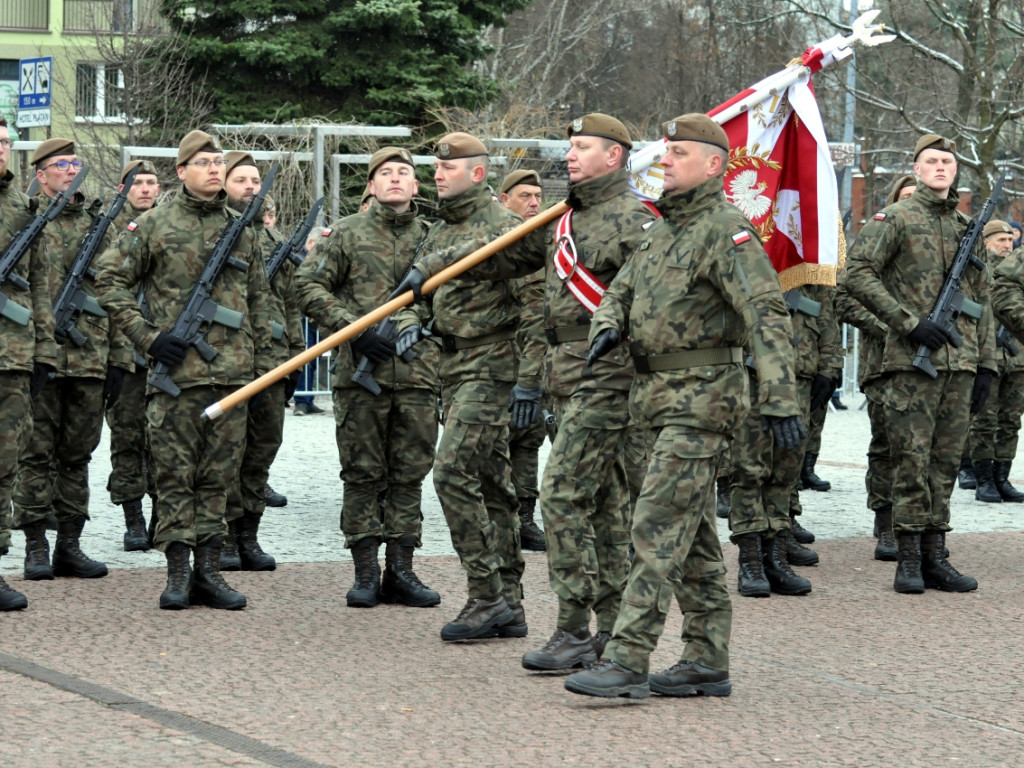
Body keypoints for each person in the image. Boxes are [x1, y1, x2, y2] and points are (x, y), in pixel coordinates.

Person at [563, 113, 803, 699]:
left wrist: (780, 397)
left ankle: (626, 658)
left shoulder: (727, 230)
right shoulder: (661, 230)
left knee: (652, 526)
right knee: (690, 532)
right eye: (664, 152)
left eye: (677, 154)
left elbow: (764, 312)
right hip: (654, 401)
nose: (663, 161)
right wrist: (608, 323)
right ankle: (705, 659)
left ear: (714, 165)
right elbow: (621, 288)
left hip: (702, 401)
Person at [403, 116, 655, 661]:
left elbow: (649, 300)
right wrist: (427, 270)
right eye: (570, 146)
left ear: (614, 157)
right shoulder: (563, 219)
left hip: (609, 379)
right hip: (568, 379)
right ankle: (599, 630)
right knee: (599, 505)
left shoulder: (635, 220)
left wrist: (525, 382)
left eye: (582, 147)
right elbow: (498, 258)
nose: (570, 155)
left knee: (577, 500)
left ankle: (583, 629)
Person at [94, 129, 273, 610]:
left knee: (219, 478)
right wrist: (148, 336)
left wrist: (260, 370)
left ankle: (209, 571)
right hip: (177, 378)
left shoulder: (243, 228)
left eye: (219, 162)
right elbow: (107, 280)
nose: (215, 170)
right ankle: (177, 574)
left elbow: (259, 302)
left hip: (232, 377)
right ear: (182, 171)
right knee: (174, 476)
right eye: (204, 163)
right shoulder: (154, 225)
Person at [394, 132, 529, 640]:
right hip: (451, 369)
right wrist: (410, 325)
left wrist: (531, 381)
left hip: (492, 365)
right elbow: (415, 296)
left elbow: (533, 304)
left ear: (477, 173)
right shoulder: (437, 232)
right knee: (493, 484)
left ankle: (486, 594)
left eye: (448, 168)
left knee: (450, 471)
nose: (436, 174)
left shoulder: (506, 227)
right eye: (435, 167)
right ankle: (510, 602)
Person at [845, 134, 993, 594]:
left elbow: (981, 300)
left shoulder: (969, 227)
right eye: (931, 161)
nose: (940, 167)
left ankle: (935, 555)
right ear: (916, 168)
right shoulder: (897, 217)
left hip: (960, 362)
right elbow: (855, 272)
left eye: (947, 161)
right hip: (911, 362)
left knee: (945, 462)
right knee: (910, 459)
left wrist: (986, 363)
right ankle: (907, 557)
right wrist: (907, 323)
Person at [295, 146, 442, 609]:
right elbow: (307, 284)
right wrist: (353, 330)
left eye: (404, 173)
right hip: (360, 376)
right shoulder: (346, 233)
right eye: (385, 173)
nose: (395, 179)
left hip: (418, 373)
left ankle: (402, 570)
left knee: (409, 474)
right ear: (372, 186)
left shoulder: (434, 238)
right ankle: (365, 572)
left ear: (417, 186)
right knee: (361, 473)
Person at [14, 138, 134, 581]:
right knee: (34, 453)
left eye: (73, 163)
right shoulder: (27, 221)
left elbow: (117, 294)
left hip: (89, 358)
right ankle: (34, 545)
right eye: (59, 165)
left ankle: (69, 544)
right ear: (40, 175)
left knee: (78, 455)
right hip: (38, 357)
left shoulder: (98, 227)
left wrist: (121, 358)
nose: (69, 170)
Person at [218, 151, 304, 571]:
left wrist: (296, 357)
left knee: (262, 449)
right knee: (227, 452)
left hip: (271, 362)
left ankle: (248, 535)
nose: (251, 187)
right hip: (225, 362)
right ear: (224, 185)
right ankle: (222, 538)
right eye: (241, 180)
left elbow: (288, 305)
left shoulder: (272, 241)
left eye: (255, 181)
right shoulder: (216, 235)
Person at [835, 174, 915, 562]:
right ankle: (885, 523)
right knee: (886, 444)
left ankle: (916, 525)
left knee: (923, 448)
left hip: (928, 361)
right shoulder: (878, 239)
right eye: (906, 196)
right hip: (883, 359)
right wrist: (892, 324)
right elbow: (845, 298)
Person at [0, 114, 57, 610]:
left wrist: (43, 349)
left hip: (12, 356)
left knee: (3, 466)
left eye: (3, 142)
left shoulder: (25, 208)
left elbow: (39, 284)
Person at [104, 159, 160, 552]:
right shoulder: (107, 230)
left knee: (163, 439)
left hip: (164, 347)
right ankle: (133, 519)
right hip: (123, 349)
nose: (144, 189)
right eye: (136, 183)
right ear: (123, 188)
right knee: (127, 438)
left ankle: (161, 514)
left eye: (150, 182)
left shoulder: (169, 226)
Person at [498, 168, 547, 552]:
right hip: (497, 360)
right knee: (497, 442)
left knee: (529, 441)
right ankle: (502, 519)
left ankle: (527, 519)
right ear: (505, 200)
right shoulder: (495, 242)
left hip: (538, 360)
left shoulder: (547, 242)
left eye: (537, 197)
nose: (533, 204)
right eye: (525, 196)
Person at [967, 220, 1024, 504]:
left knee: (1011, 421)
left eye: (1010, 239)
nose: (1006, 245)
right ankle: (984, 479)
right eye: (1000, 239)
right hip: (986, 355)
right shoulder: (976, 270)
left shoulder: (1017, 271)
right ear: (986, 242)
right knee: (984, 421)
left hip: (1016, 356)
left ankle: (1003, 478)